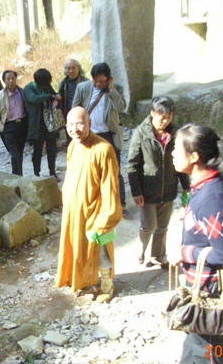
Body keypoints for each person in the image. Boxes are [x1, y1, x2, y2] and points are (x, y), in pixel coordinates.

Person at [166, 124, 223, 364]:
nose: (172, 154)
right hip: (200, 278)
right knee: (195, 328)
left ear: (194, 156)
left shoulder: (212, 196)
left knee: (209, 345)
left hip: (211, 285)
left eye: (176, 149)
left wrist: (185, 252)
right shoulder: (202, 185)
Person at [56, 107, 122, 303]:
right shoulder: (73, 146)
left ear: (90, 123)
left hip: (95, 210)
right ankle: (81, 279)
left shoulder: (103, 149)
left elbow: (110, 187)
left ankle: (107, 284)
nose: (75, 129)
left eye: (80, 124)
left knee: (100, 250)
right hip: (74, 210)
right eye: (71, 125)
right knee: (76, 247)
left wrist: (106, 218)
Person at [127, 96, 190, 267]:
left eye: (168, 117)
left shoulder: (176, 134)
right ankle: (141, 250)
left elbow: (181, 161)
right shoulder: (141, 133)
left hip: (168, 188)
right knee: (148, 225)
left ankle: (158, 256)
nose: (164, 121)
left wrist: (186, 187)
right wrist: (136, 192)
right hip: (147, 190)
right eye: (161, 117)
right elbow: (132, 165)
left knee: (162, 226)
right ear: (152, 113)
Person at [72, 62, 127, 214]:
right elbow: (75, 109)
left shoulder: (117, 89)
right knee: (91, 170)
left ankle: (120, 203)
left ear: (109, 79)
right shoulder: (83, 88)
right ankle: (95, 203)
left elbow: (121, 108)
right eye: (96, 81)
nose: (98, 84)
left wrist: (112, 90)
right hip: (89, 135)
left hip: (109, 134)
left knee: (114, 170)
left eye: (102, 81)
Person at [25, 68, 61, 180]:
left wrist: (57, 96)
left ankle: (52, 172)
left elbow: (54, 94)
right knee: (37, 151)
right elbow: (34, 99)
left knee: (52, 149)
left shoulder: (46, 86)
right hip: (37, 125)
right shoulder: (29, 88)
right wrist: (49, 96)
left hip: (49, 124)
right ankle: (36, 174)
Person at [0, 70, 28, 176]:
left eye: (13, 78)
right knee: (14, 154)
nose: (11, 81)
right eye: (8, 79)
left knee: (19, 153)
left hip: (22, 125)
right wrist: (2, 129)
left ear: (16, 79)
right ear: (4, 81)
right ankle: (16, 175)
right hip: (8, 127)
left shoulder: (22, 93)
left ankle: (18, 176)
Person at [58, 58, 88, 125]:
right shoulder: (63, 83)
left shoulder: (86, 82)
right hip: (68, 112)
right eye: (68, 68)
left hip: (81, 112)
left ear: (78, 69)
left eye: (73, 68)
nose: (71, 71)